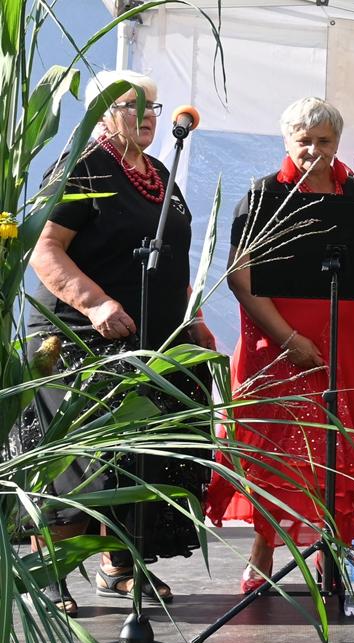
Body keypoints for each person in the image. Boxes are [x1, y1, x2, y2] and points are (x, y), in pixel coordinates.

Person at [204, 97, 354, 594]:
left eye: (324, 141)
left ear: (338, 142)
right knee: (280, 449)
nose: (314, 151)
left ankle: (336, 552)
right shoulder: (263, 194)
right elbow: (240, 277)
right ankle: (264, 548)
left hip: (351, 342)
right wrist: (288, 338)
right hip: (281, 346)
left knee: (345, 445)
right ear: (287, 141)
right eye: (304, 141)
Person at [25, 70, 216, 613]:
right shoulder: (81, 167)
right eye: (133, 106)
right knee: (82, 463)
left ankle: (119, 566)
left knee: (142, 457)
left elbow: (171, 260)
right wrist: (95, 303)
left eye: (152, 105)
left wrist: (194, 320)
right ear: (101, 114)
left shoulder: (158, 173)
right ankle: (49, 571)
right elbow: (44, 248)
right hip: (80, 338)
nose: (148, 115)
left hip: (155, 339)